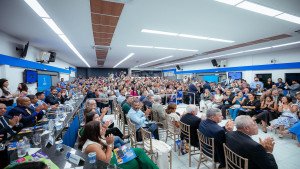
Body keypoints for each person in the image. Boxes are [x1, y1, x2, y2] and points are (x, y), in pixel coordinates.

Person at [78, 121, 158, 169]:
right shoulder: (92, 146)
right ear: (94, 132)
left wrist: (109, 141)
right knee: (135, 162)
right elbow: (106, 161)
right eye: (101, 128)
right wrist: (109, 145)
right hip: (110, 160)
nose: (103, 129)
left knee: (139, 151)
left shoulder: (95, 137)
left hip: (112, 154)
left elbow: (108, 144)